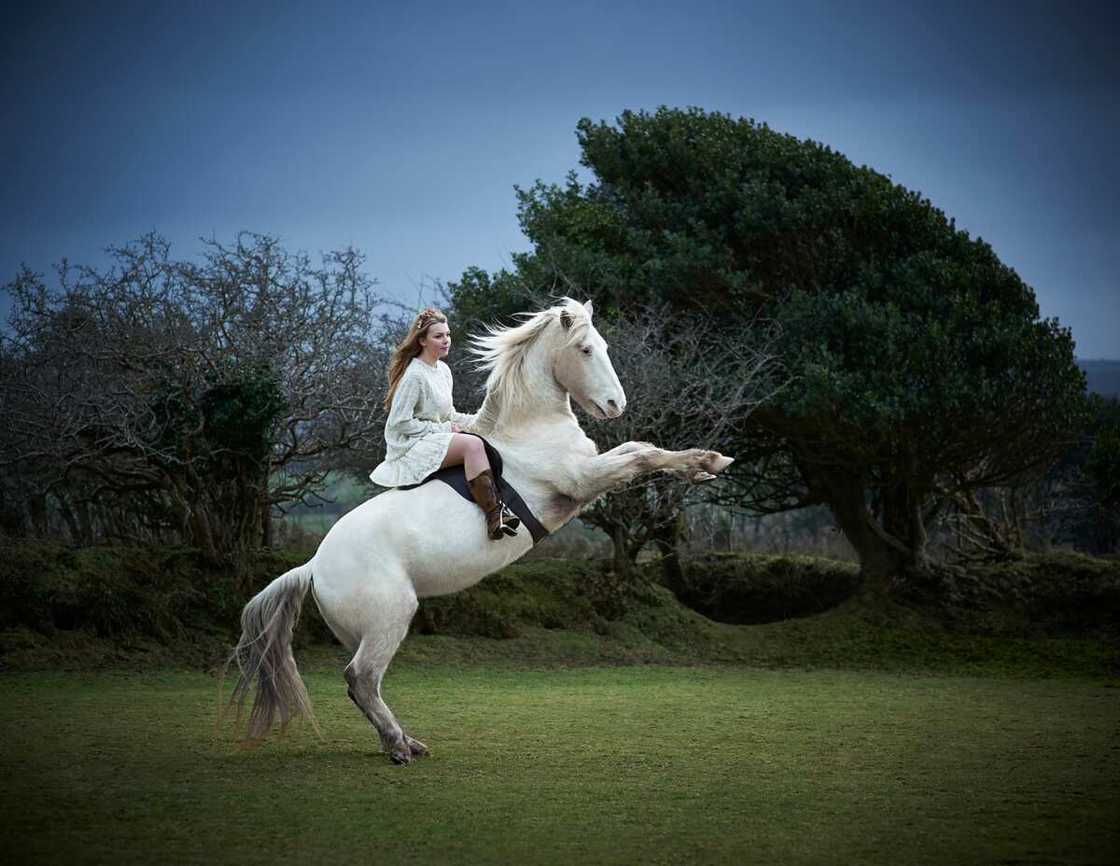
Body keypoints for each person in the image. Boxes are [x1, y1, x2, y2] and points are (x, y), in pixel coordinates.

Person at [370, 307, 518, 540]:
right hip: (411, 445)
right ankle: (494, 515)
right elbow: (399, 423)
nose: (446, 340)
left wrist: (482, 422)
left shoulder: (444, 370)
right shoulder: (414, 376)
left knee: (482, 438)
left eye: (447, 335)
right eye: (438, 336)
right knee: (472, 446)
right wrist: (443, 429)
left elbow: (448, 414)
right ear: (422, 341)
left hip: (434, 436)